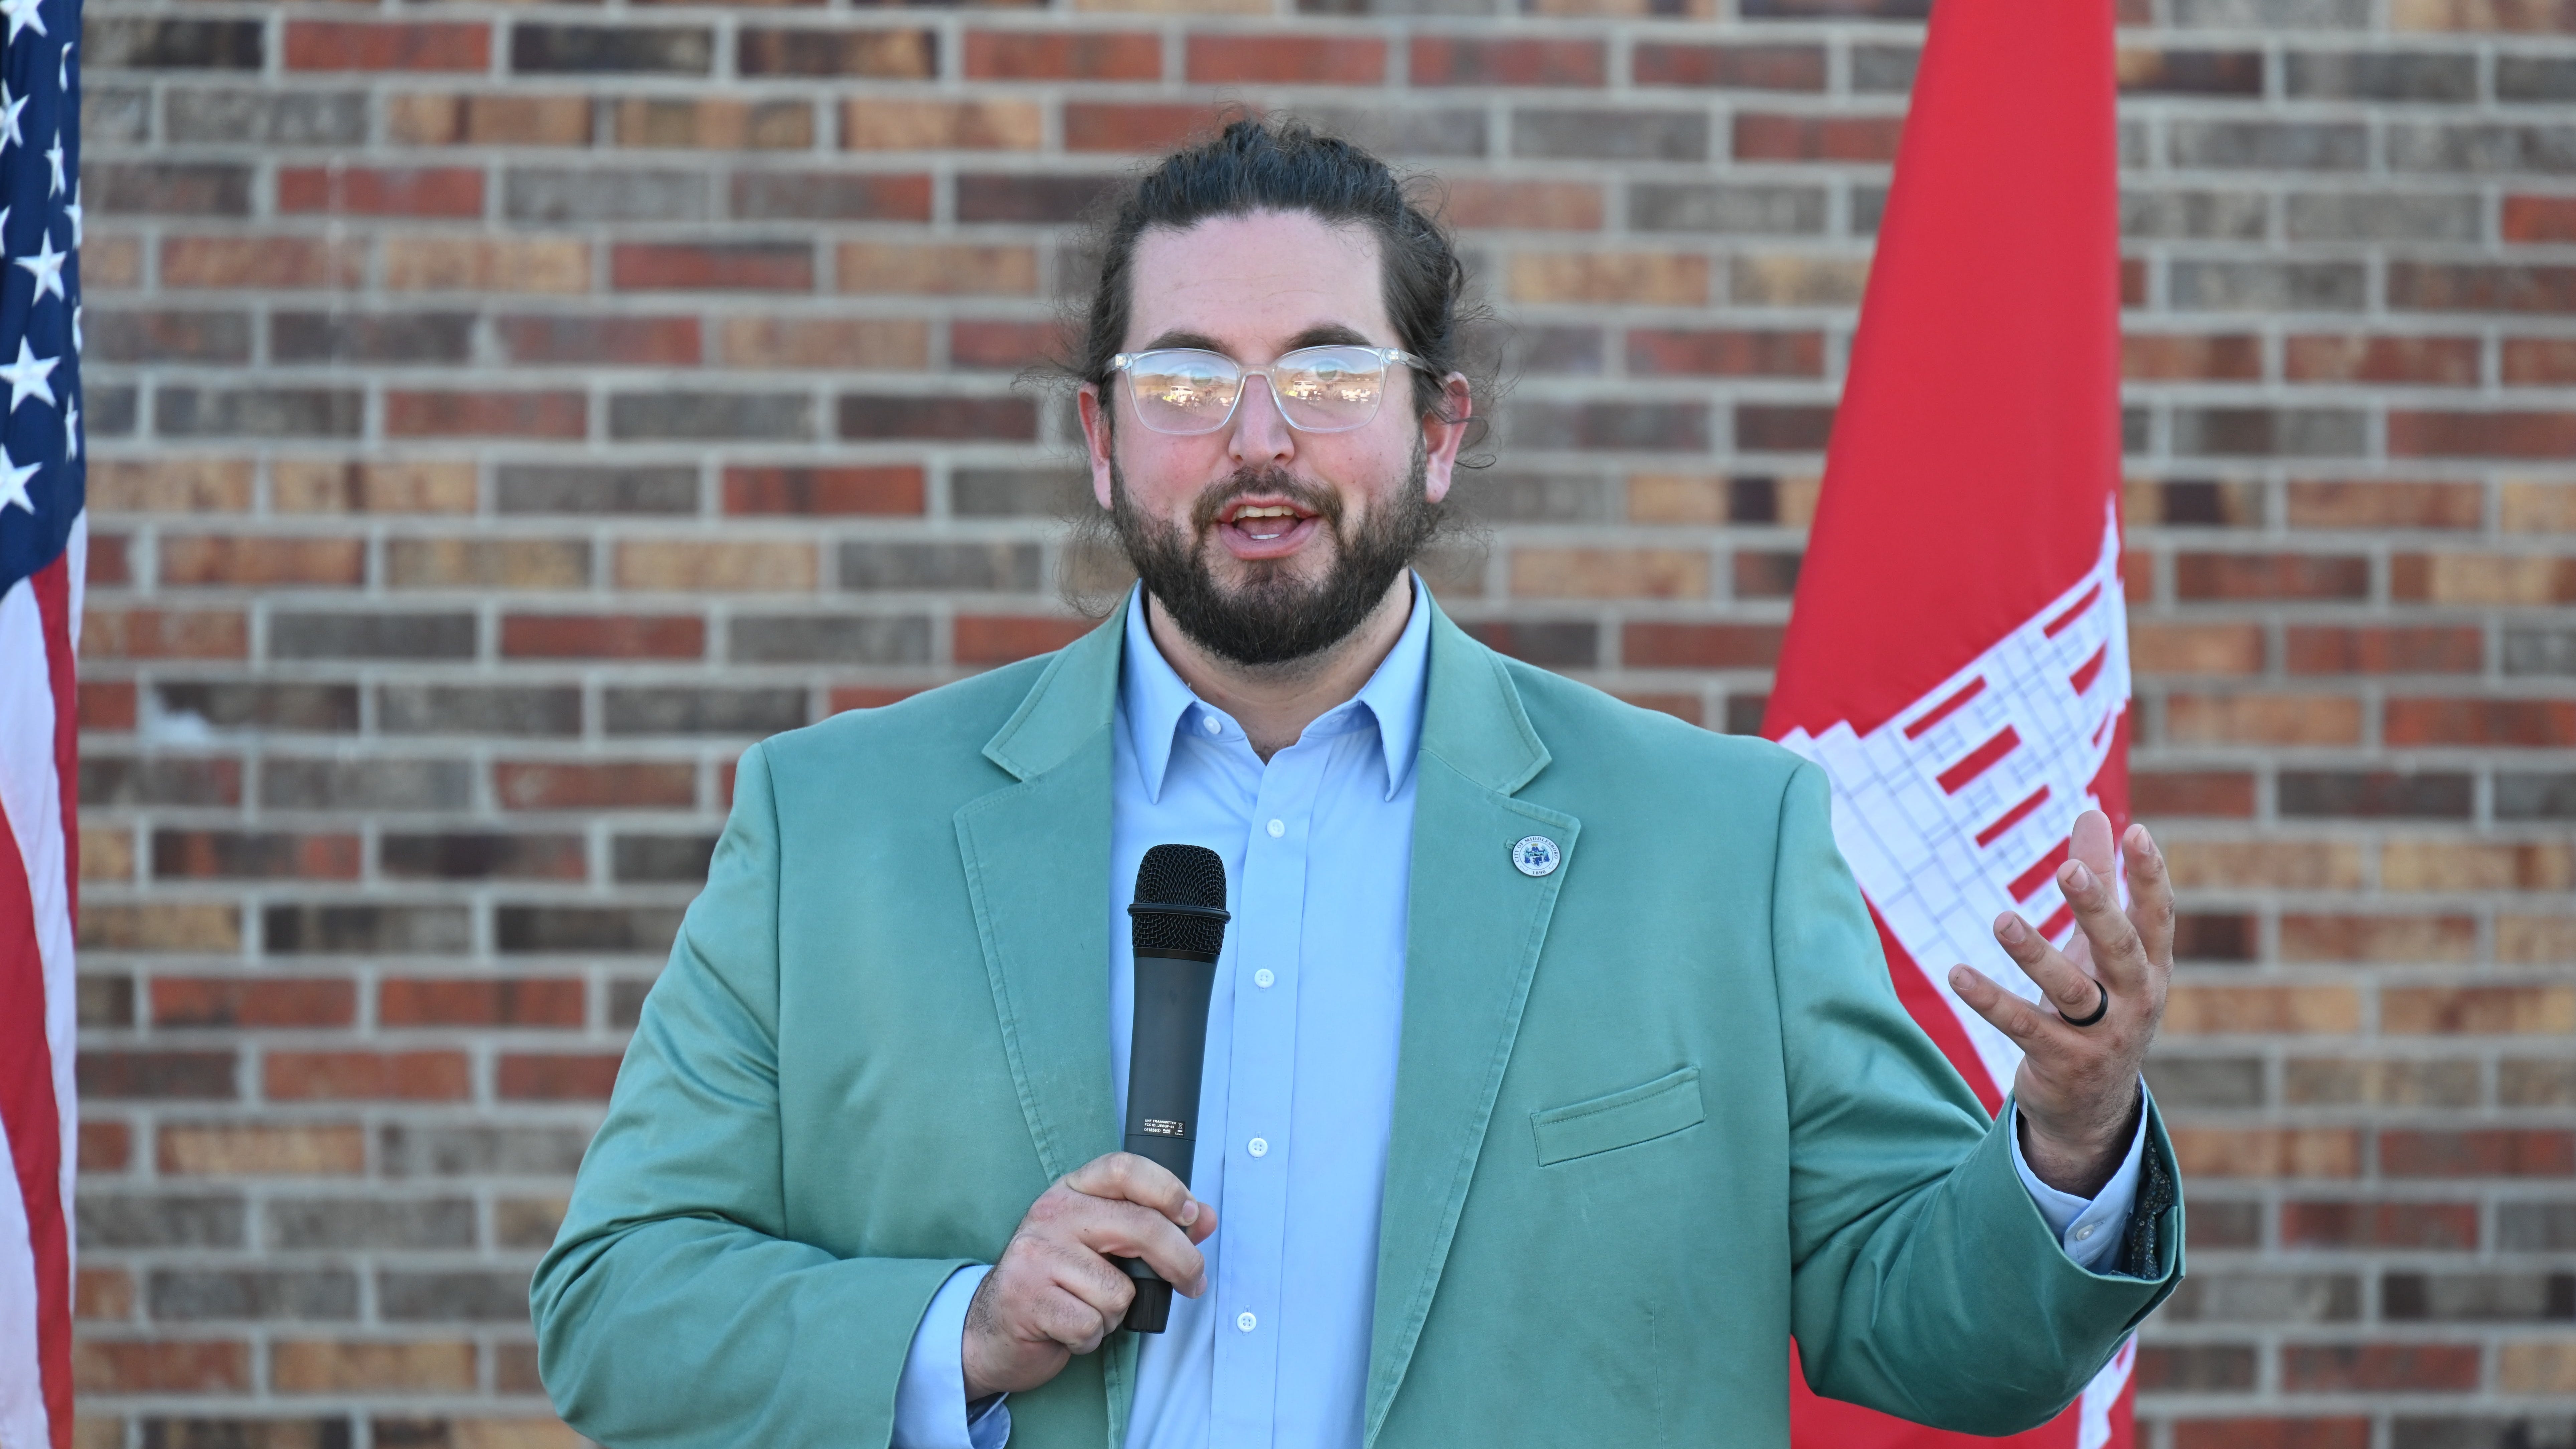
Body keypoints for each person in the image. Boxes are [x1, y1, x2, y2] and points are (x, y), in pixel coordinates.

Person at [530, 119, 2181, 1449]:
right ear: (1102, 443)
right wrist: (955, 1328)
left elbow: (1941, 1337)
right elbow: (617, 1307)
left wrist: (2068, 1134)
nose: (1259, 436)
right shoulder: (835, 831)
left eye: (1325, 375)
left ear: (1438, 429)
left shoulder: (1714, 842)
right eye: (1183, 382)